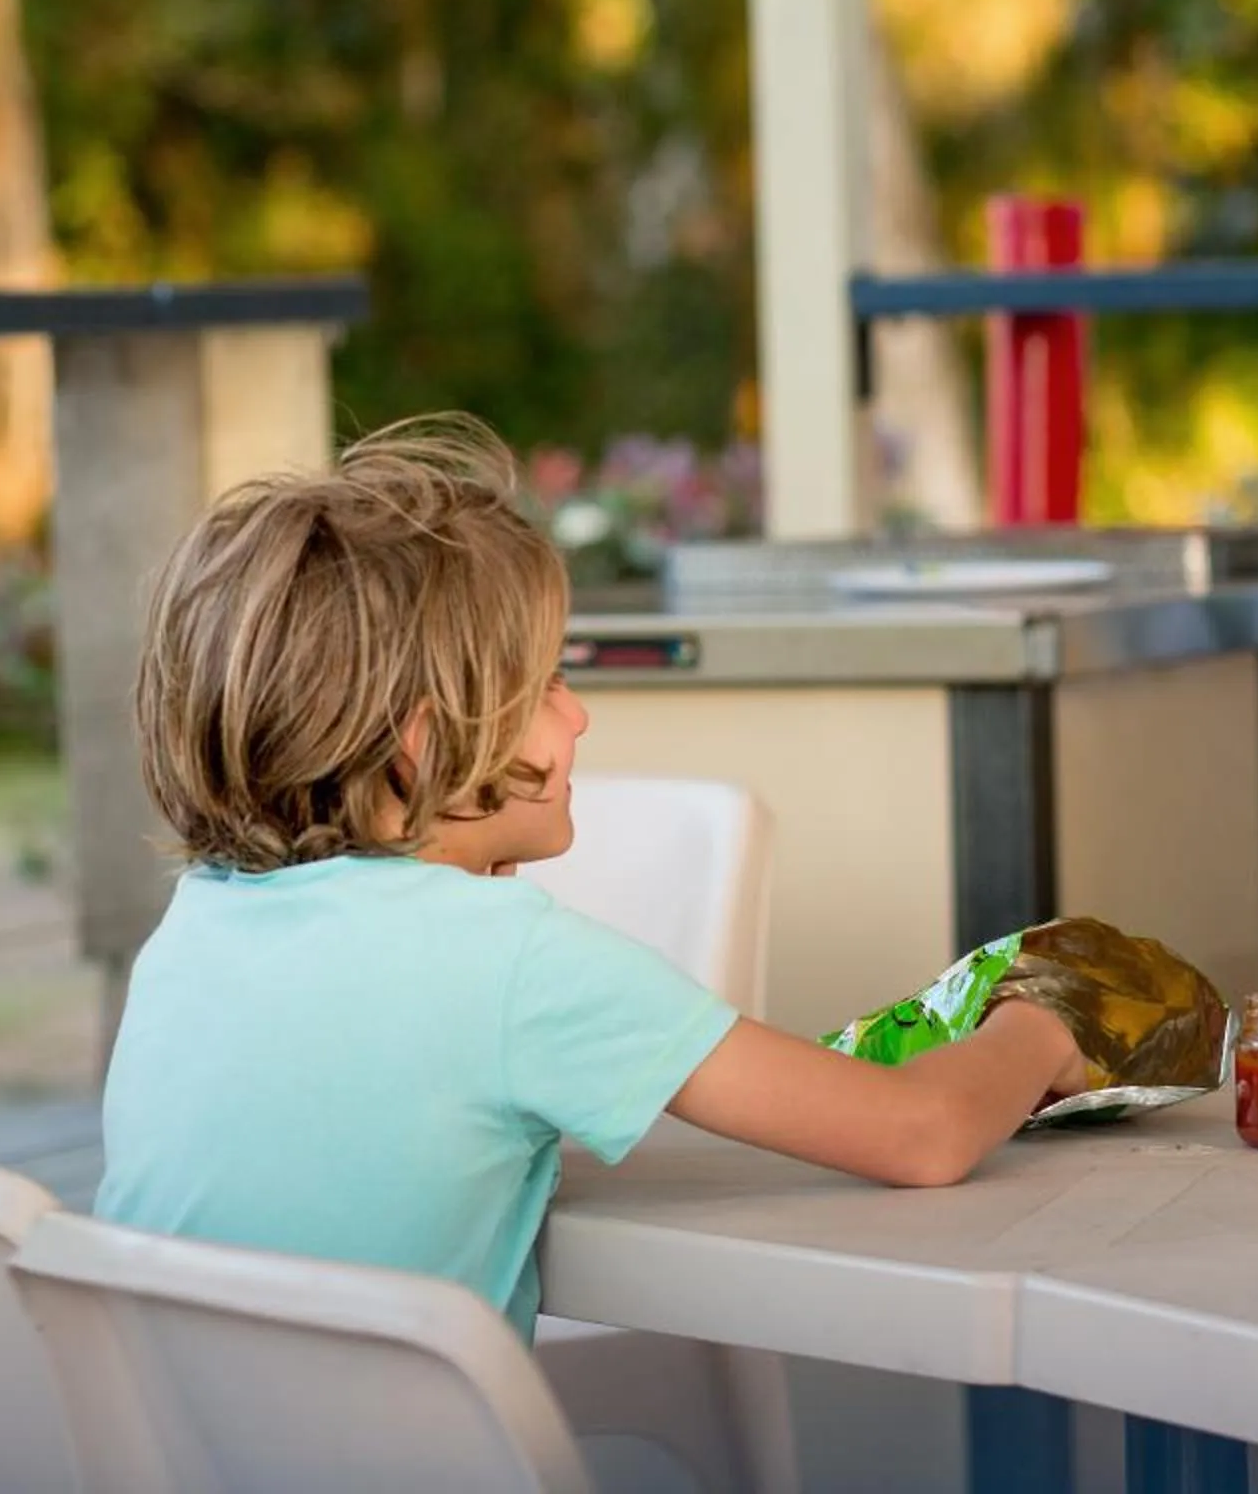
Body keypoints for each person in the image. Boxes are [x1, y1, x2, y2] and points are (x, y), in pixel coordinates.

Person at [94, 416, 1084, 1336]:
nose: (579, 719)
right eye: (549, 685)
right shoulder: (510, 962)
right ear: (425, 747)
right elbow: (921, 1130)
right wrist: (1039, 1026)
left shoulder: (194, 929)